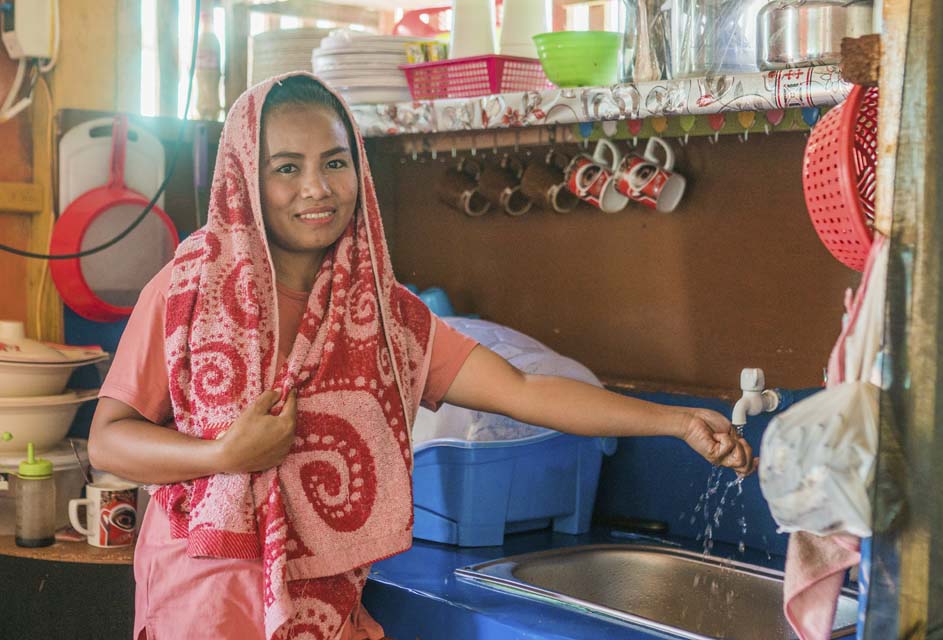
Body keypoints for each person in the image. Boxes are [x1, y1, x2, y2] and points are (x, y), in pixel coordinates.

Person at [89, 72, 756, 640]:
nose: (317, 188)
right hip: (206, 598)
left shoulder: (386, 316)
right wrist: (222, 457)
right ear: (243, 178)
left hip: (325, 603)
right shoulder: (187, 290)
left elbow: (524, 390)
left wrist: (675, 423)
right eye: (286, 168)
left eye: (336, 161)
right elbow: (109, 441)